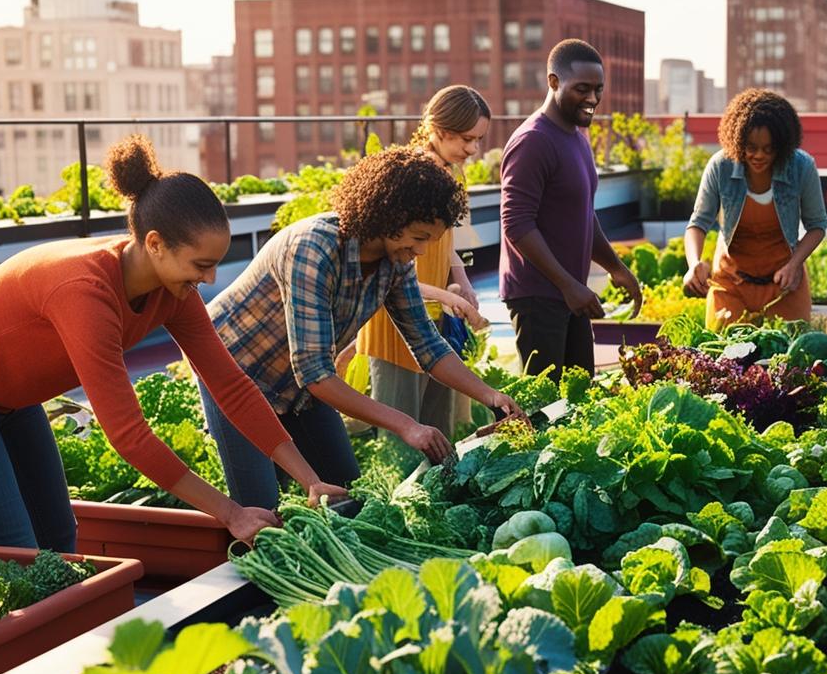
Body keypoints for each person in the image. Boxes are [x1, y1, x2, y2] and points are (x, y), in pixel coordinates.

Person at [0, 134, 342, 550]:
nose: (210, 278)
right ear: (155, 244)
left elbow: (232, 387)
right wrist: (230, 513)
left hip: (9, 395)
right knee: (17, 547)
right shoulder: (85, 294)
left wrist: (308, 480)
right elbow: (129, 436)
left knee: (57, 534)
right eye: (201, 264)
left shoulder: (174, 291)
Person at [204, 147, 520, 509]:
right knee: (259, 509)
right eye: (417, 237)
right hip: (234, 375)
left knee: (349, 499)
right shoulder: (315, 249)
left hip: (299, 387)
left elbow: (427, 346)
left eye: (428, 242)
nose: (420, 251)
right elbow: (315, 373)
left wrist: (490, 396)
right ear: (388, 215)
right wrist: (406, 424)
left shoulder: (395, 262)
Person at [500, 38, 642, 377]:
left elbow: (582, 214)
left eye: (598, 89)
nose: (592, 99)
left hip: (569, 293)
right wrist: (568, 285)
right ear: (553, 82)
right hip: (538, 296)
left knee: (579, 396)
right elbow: (516, 222)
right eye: (582, 89)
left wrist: (616, 267)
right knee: (546, 407)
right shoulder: (533, 140)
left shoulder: (577, 135)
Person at [354, 85, 491, 436]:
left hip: (433, 319)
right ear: (438, 130)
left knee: (439, 429)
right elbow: (392, 269)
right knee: (401, 437)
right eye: (466, 139)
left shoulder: (453, 174)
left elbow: (448, 240)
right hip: (395, 325)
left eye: (478, 140)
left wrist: (463, 281)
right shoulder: (410, 178)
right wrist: (449, 295)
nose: (473, 149)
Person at [683, 88, 827, 328]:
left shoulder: (802, 167)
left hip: (785, 285)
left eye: (769, 149)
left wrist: (794, 265)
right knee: (725, 360)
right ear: (737, 140)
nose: (759, 155)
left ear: (782, 145)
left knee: (790, 360)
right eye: (751, 147)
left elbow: (817, 225)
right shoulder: (720, 166)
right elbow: (698, 223)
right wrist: (694, 263)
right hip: (731, 284)